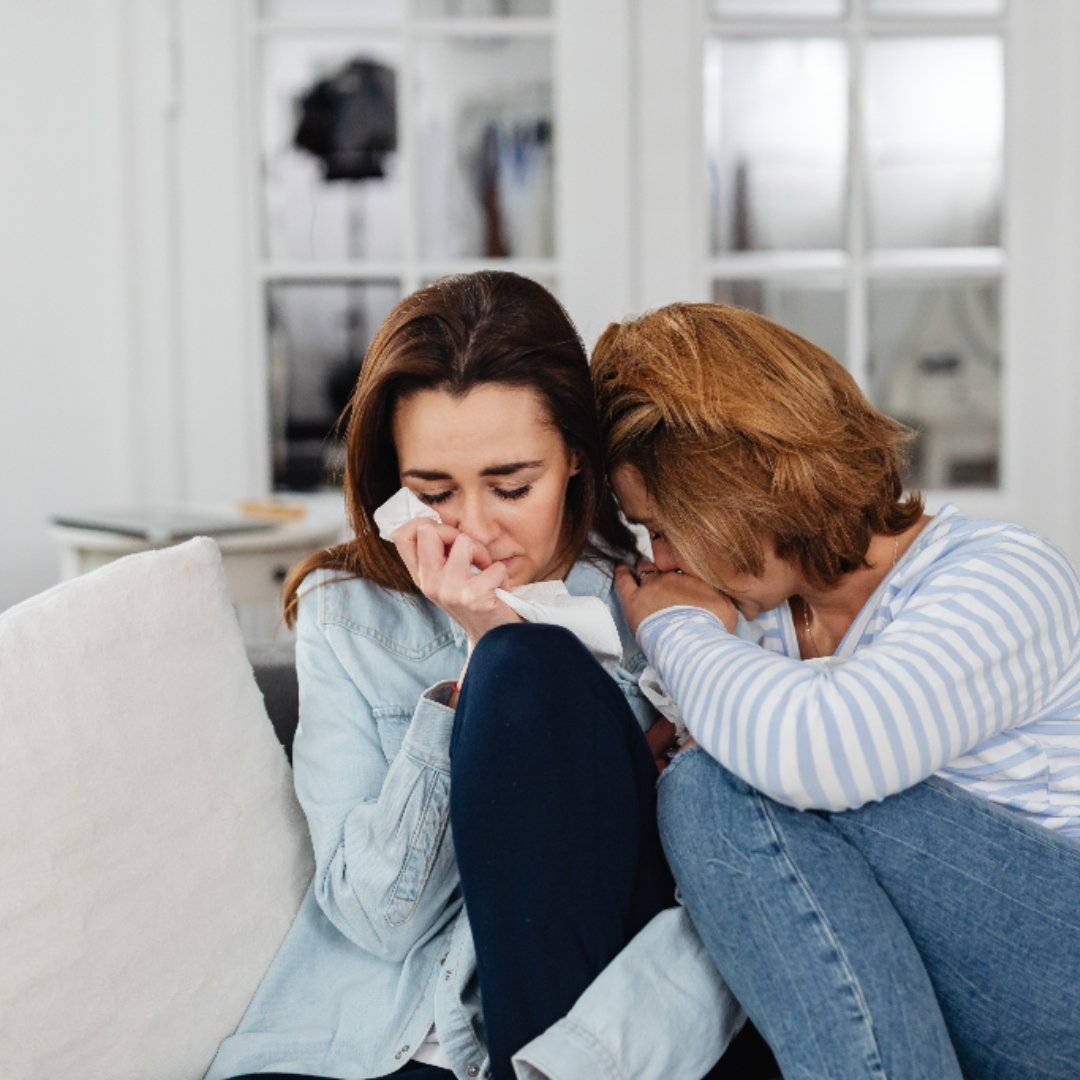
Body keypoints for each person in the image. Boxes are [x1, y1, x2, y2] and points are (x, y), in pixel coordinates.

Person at [206, 273, 749, 1080]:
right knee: (510, 664)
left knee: (526, 668)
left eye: (511, 485)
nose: (475, 531)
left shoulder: (671, 611)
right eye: (433, 493)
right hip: (364, 1045)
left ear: (574, 457)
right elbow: (374, 917)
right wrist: (474, 658)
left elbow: (735, 901)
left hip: (566, 1042)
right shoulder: (348, 616)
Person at [590, 301, 1080, 1080]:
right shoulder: (765, 620)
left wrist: (674, 630)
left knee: (719, 785)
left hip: (1059, 981)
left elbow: (821, 753)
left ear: (741, 486)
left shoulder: (1006, 575)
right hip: (938, 1001)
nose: (666, 561)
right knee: (708, 785)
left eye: (669, 525)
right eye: (649, 537)